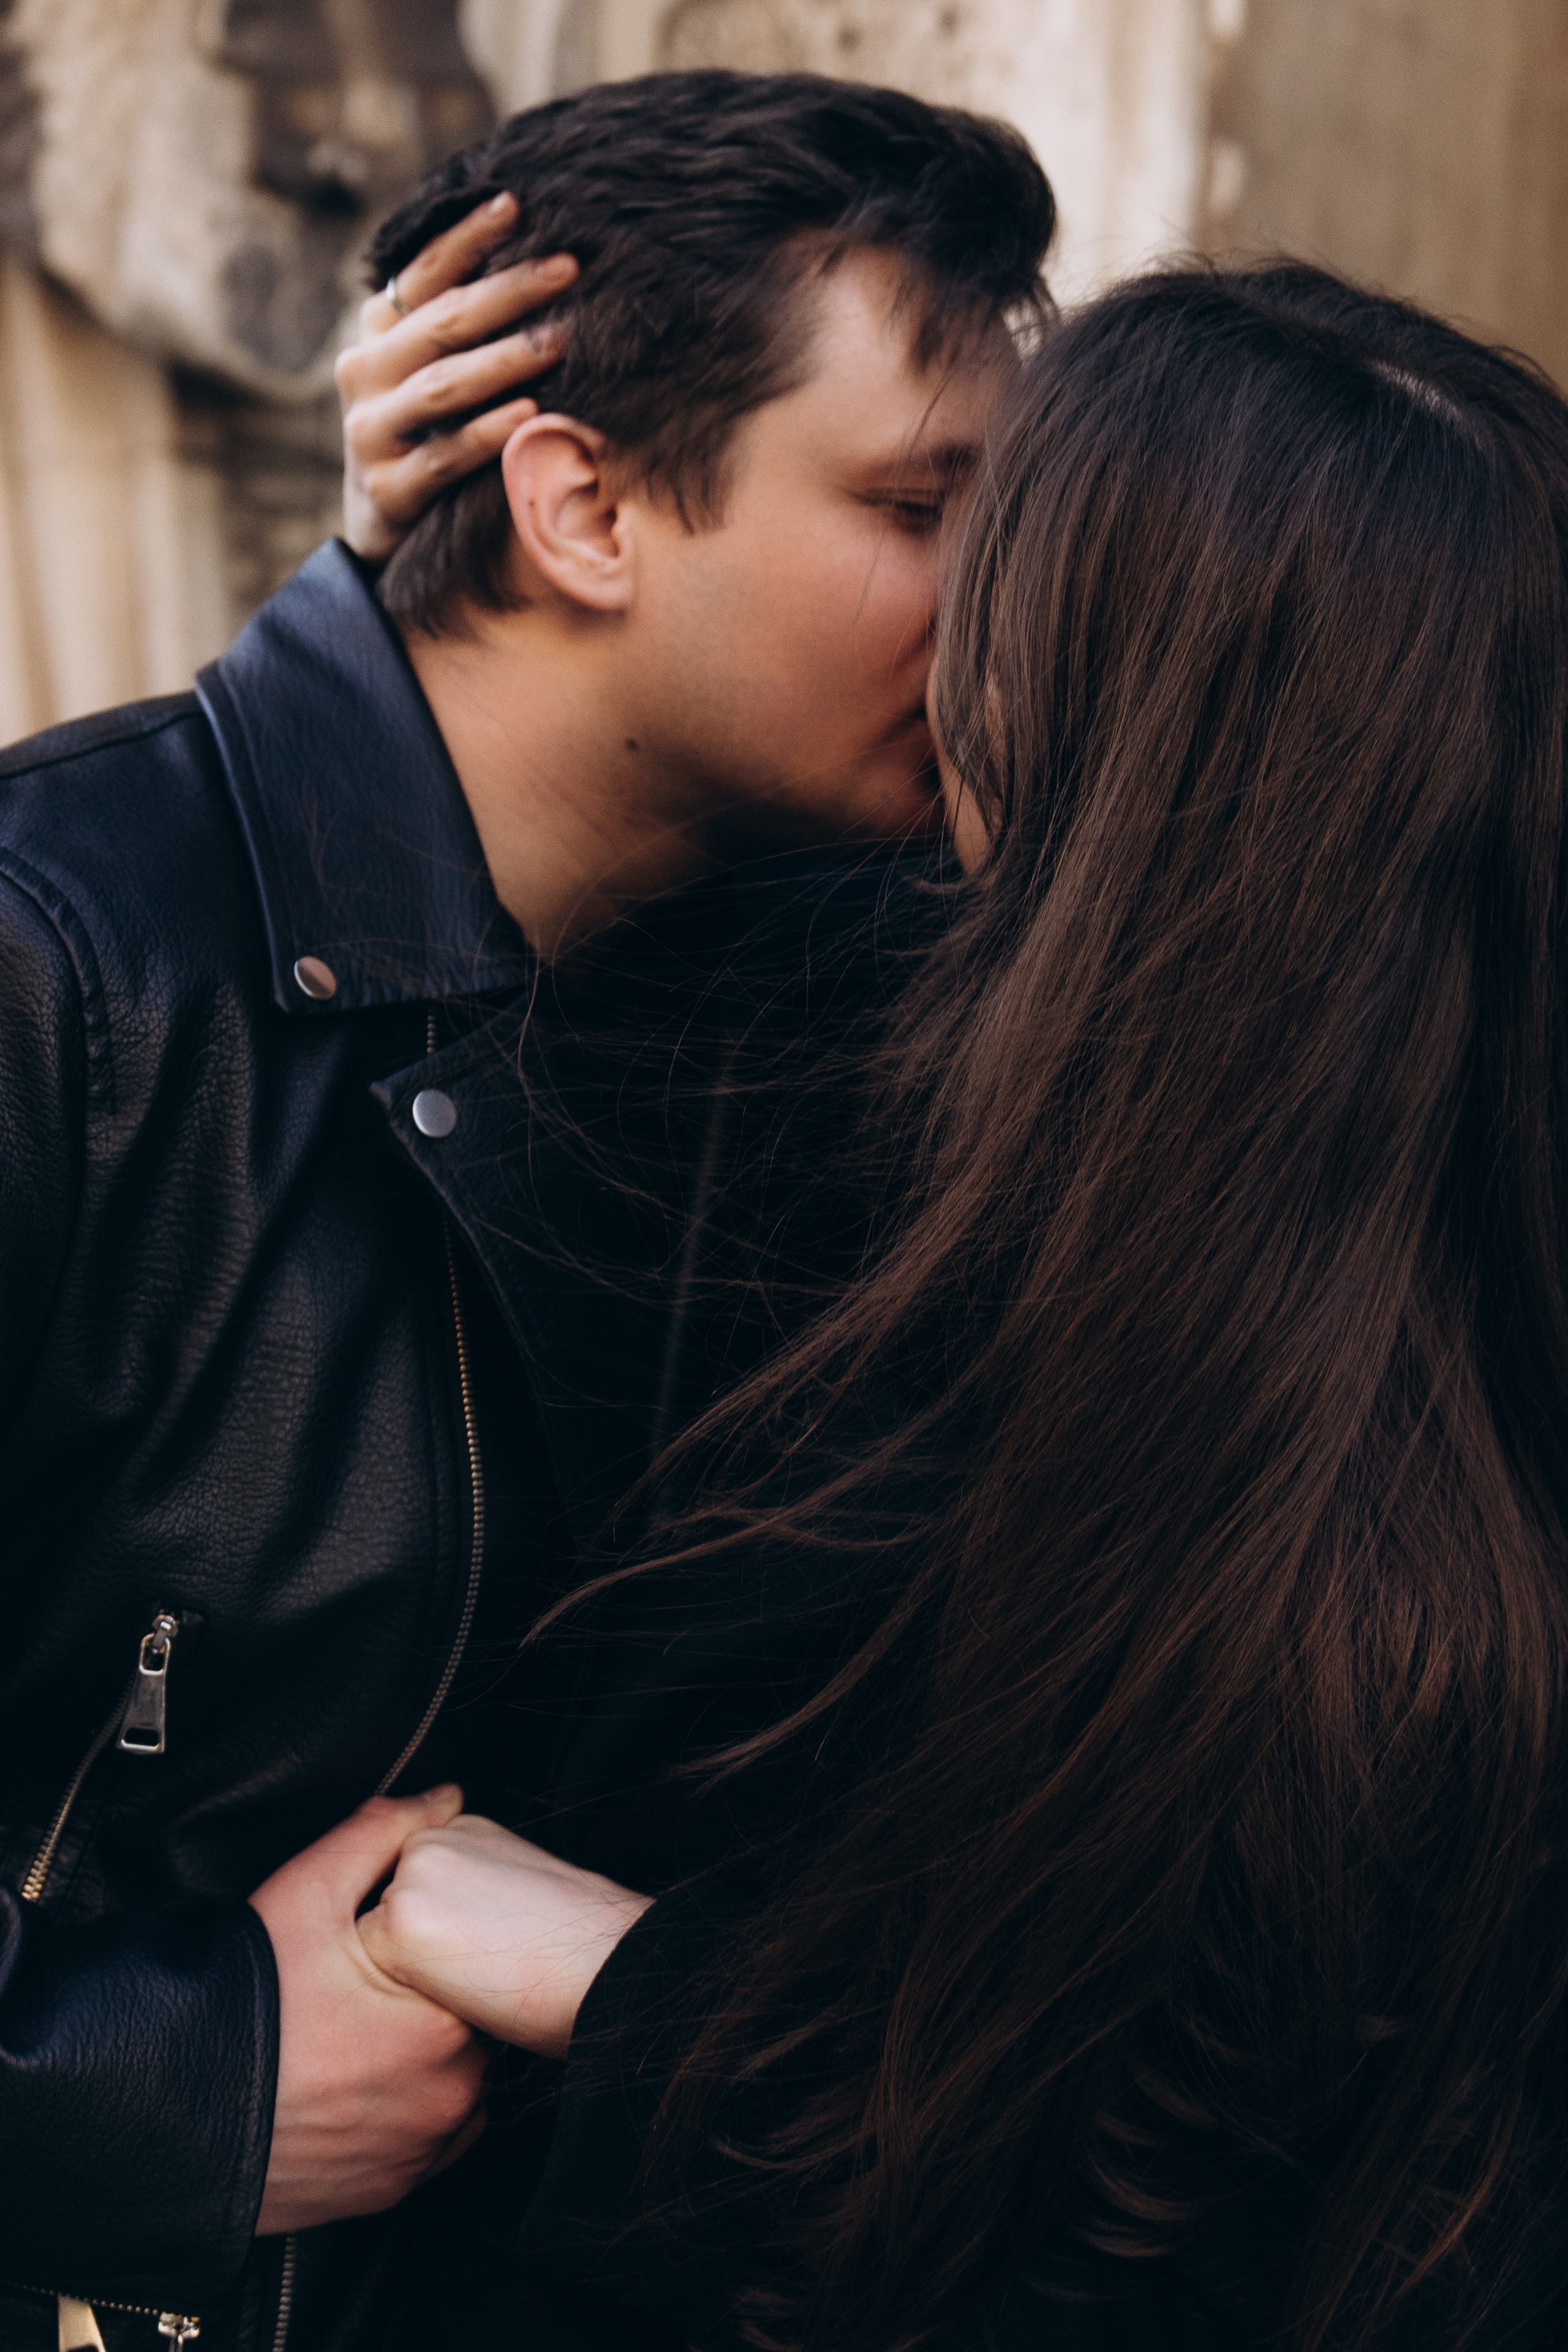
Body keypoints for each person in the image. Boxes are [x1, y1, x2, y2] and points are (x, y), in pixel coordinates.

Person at [341, 261, 1568, 2349]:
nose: (936, 627)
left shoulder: (1378, 1606)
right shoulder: (867, 1026)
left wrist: (629, 1989)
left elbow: (1141, 2270)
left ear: (1098, 703)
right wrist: (432, 620)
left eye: (976, 548)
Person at [0, 73, 1052, 2352]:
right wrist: (153, 2092)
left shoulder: (831, 999)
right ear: (576, 505)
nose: (1010, 610)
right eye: (916, 505)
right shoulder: (57, 965)